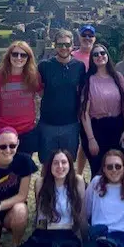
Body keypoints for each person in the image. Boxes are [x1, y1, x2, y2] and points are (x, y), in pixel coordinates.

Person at [80, 43, 124, 177]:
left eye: (102, 53)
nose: (100, 56)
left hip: (117, 127)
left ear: (107, 55)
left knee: (118, 170)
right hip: (96, 129)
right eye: (95, 54)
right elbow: (84, 112)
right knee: (98, 171)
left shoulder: (117, 77)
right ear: (92, 58)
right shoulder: (88, 80)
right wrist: (91, 139)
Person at [38, 29, 86, 164]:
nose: (63, 48)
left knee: (68, 164)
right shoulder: (44, 66)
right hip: (48, 123)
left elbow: (82, 92)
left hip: (70, 123)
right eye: (60, 45)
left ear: (72, 46)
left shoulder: (79, 67)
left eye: (67, 44)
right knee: (47, 165)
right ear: (54, 46)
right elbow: (37, 89)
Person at [0, 41, 42, 155]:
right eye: (15, 54)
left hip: (27, 131)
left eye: (23, 55)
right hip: (5, 130)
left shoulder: (34, 77)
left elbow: (43, 94)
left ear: (28, 58)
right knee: (4, 169)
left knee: (24, 171)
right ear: (9, 56)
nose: (18, 58)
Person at [71, 25, 95, 175]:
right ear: (79, 37)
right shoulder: (72, 56)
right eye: (84, 35)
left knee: (86, 141)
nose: (87, 38)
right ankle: (75, 173)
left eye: (90, 36)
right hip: (73, 104)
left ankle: (80, 173)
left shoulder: (98, 56)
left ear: (94, 38)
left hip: (94, 105)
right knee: (76, 139)